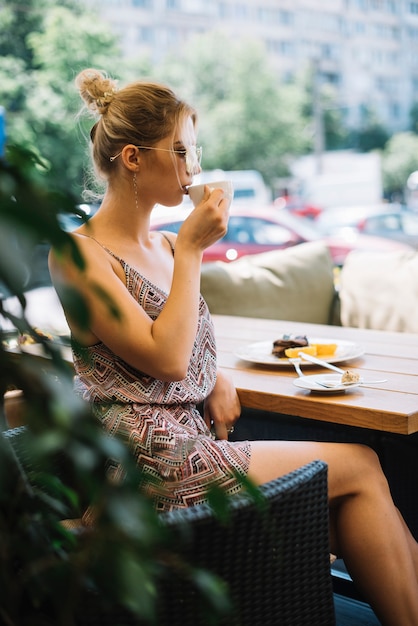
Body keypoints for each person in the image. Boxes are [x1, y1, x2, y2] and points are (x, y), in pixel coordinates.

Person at [49, 68, 418, 626]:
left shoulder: (168, 245)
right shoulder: (79, 254)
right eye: (180, 150)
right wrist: (196, 251)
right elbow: (165, 357)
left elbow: (185, 350)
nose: (194, 168)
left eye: (195, 150)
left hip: (191, 442)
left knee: (349, 503)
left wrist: (215, 377)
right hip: (147, 462)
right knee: (360, 465)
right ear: (132, 158)